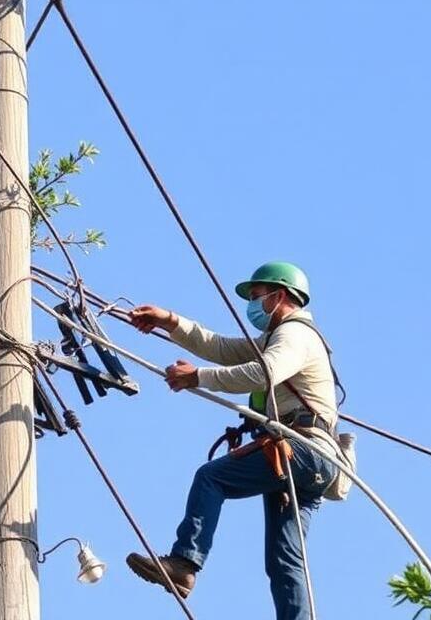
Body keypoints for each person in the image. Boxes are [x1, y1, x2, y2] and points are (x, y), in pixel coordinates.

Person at [124, 261, 340, 620]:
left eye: (256, 297)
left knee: (212, 477)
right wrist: (171, 321)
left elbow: (263, 373)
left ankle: (184, 563)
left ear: (279, 295)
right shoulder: (276, 338)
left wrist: (198, 378)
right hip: (313, 459)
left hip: (301, 446)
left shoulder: (295, 335)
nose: (252, 306)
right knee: (285, 559)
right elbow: (221, 348)